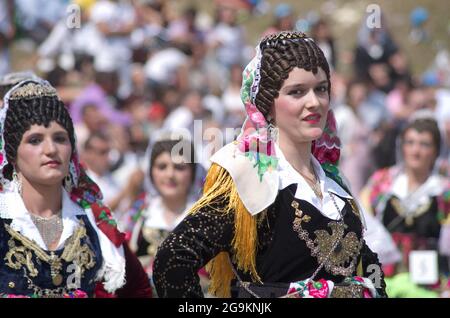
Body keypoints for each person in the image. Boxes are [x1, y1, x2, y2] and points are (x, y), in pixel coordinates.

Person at [153, 31, 387, 298]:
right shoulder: (248, 174)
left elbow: (369, 267)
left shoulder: (333, 182)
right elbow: (173, 259)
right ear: (268, 103)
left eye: (321, 89)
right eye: (297, 92)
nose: (314, 102)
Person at [0, 78, 151, 297]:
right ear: (12, 152)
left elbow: (139, 290)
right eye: (35, 140)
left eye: (60, 139)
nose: (51, 149)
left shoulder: (94, 220)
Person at [361, 115, 450, 297]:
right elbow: (363, 227)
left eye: (424, 144)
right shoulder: (381, 183)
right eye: (410, 142)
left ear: (435, 151)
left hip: (428, 283)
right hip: (380, 276)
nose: (415, 150)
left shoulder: (443, 192)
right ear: (402, 146)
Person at [126, 134, 207, 296]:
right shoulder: (140, 213)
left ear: (193, 172)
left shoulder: (204, 216)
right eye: (162, 167)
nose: (170, 175)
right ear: (151, 171)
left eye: (179, 167)